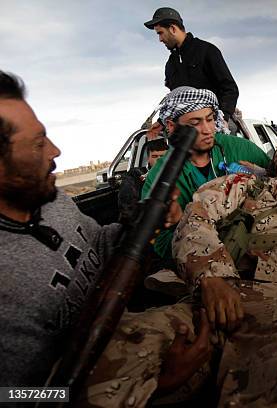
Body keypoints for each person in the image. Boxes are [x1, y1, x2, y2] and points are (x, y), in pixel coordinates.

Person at [83, 131, 277, 406]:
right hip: (210, 300)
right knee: (112, 351)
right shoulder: (241, 185)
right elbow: (196, 215)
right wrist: (212, 277)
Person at [0, 71, 208, 390]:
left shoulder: (52, 200)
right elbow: (16, 396)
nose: (55, 152)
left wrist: (147, 221)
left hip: (133, 334)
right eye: (38, 143)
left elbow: (98, 244)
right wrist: (153, 384)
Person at [142, 86, 270, 262]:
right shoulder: (159, 178)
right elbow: (162, 243)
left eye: (210, 119)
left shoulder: (242, 149)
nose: (207, 129)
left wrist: (262, 175)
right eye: (195, 123)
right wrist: (184, 222)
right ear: (172, 126)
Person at [144, 7, 239, 127]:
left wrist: (223, 118)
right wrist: (160, 123)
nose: (160, 39)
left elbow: (229, 88)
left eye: (160, 33)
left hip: (214, 124)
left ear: (173, 29)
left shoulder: (207, 51)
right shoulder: (170, 64)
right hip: (186, 130)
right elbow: (176, 100)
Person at [117, 137, 168, 223]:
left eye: (162, 156)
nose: (159, 160)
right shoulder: (135, 175)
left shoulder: (179, 174)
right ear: (148, 158)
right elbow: (127, 209)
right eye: (155, 156)